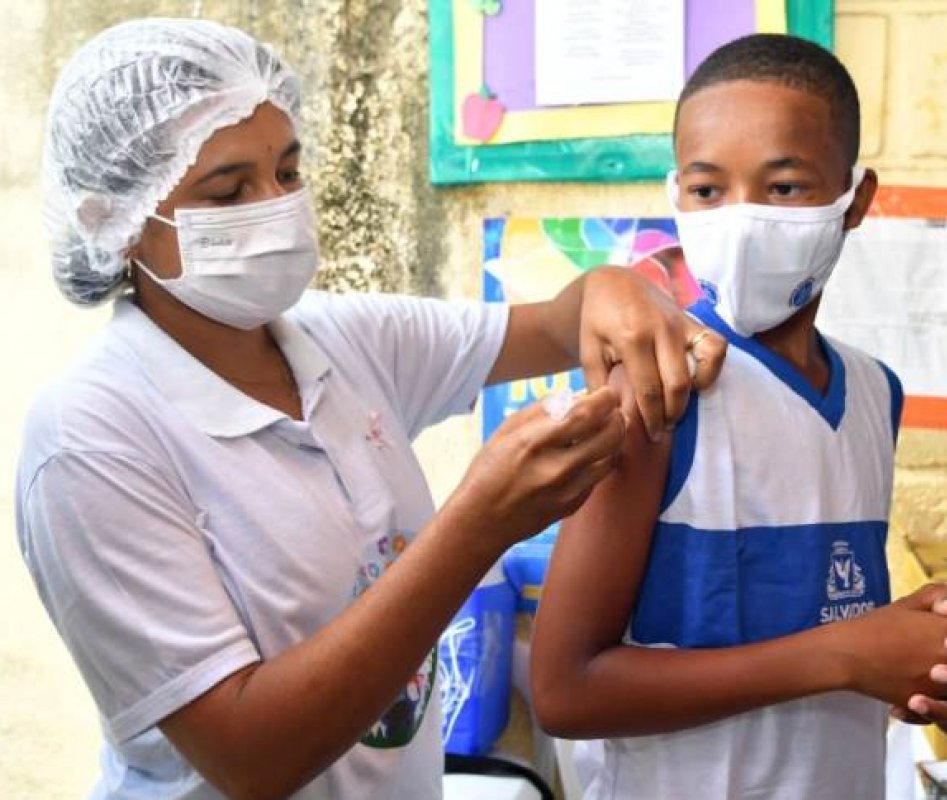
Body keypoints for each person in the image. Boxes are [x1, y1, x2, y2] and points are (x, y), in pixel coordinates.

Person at [15, 18, 730, 800]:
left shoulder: (339, 338)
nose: (277, 206)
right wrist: (482, 521)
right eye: (228, 191)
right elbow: (251, 756)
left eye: (288, 172)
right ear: (114, 227)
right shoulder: (89, 441)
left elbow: (554, 325)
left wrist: (614, 288)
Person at [530, 34, 947, 799]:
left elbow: (825, 611)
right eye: (707, 190)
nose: (742, 219)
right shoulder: (654, 393)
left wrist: (919, 658)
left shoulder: (872, 391)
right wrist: (846, 654)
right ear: (675, 195)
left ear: (855, 200)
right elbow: (565, 690)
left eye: (784, 187)